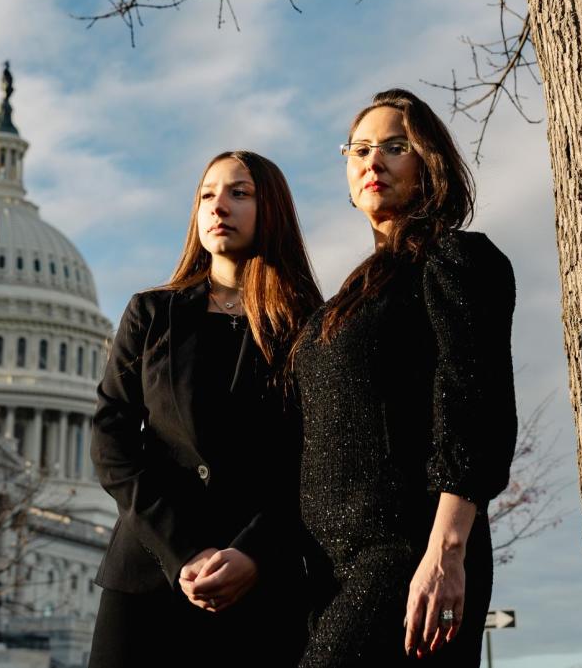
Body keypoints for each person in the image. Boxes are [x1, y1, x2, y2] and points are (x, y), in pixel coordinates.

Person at [294, 89, 518, 667]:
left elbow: (475, 405)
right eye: (360, 148)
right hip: (326, 566)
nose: (373, 161)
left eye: (396, 147)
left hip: (408, 554)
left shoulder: (456, 260)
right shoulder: (344, 299)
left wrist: (446, 554)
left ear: (429, 163)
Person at [89, 150, 322, 667]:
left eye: (240, 193)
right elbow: (112, 441)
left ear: (273, 210)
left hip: (259, 584)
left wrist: (255, 553)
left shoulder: (311, 325)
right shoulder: (152, 313)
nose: (219, 206)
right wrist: (184, 551)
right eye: (207, 194)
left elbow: (313, 459)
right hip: (149, 574)